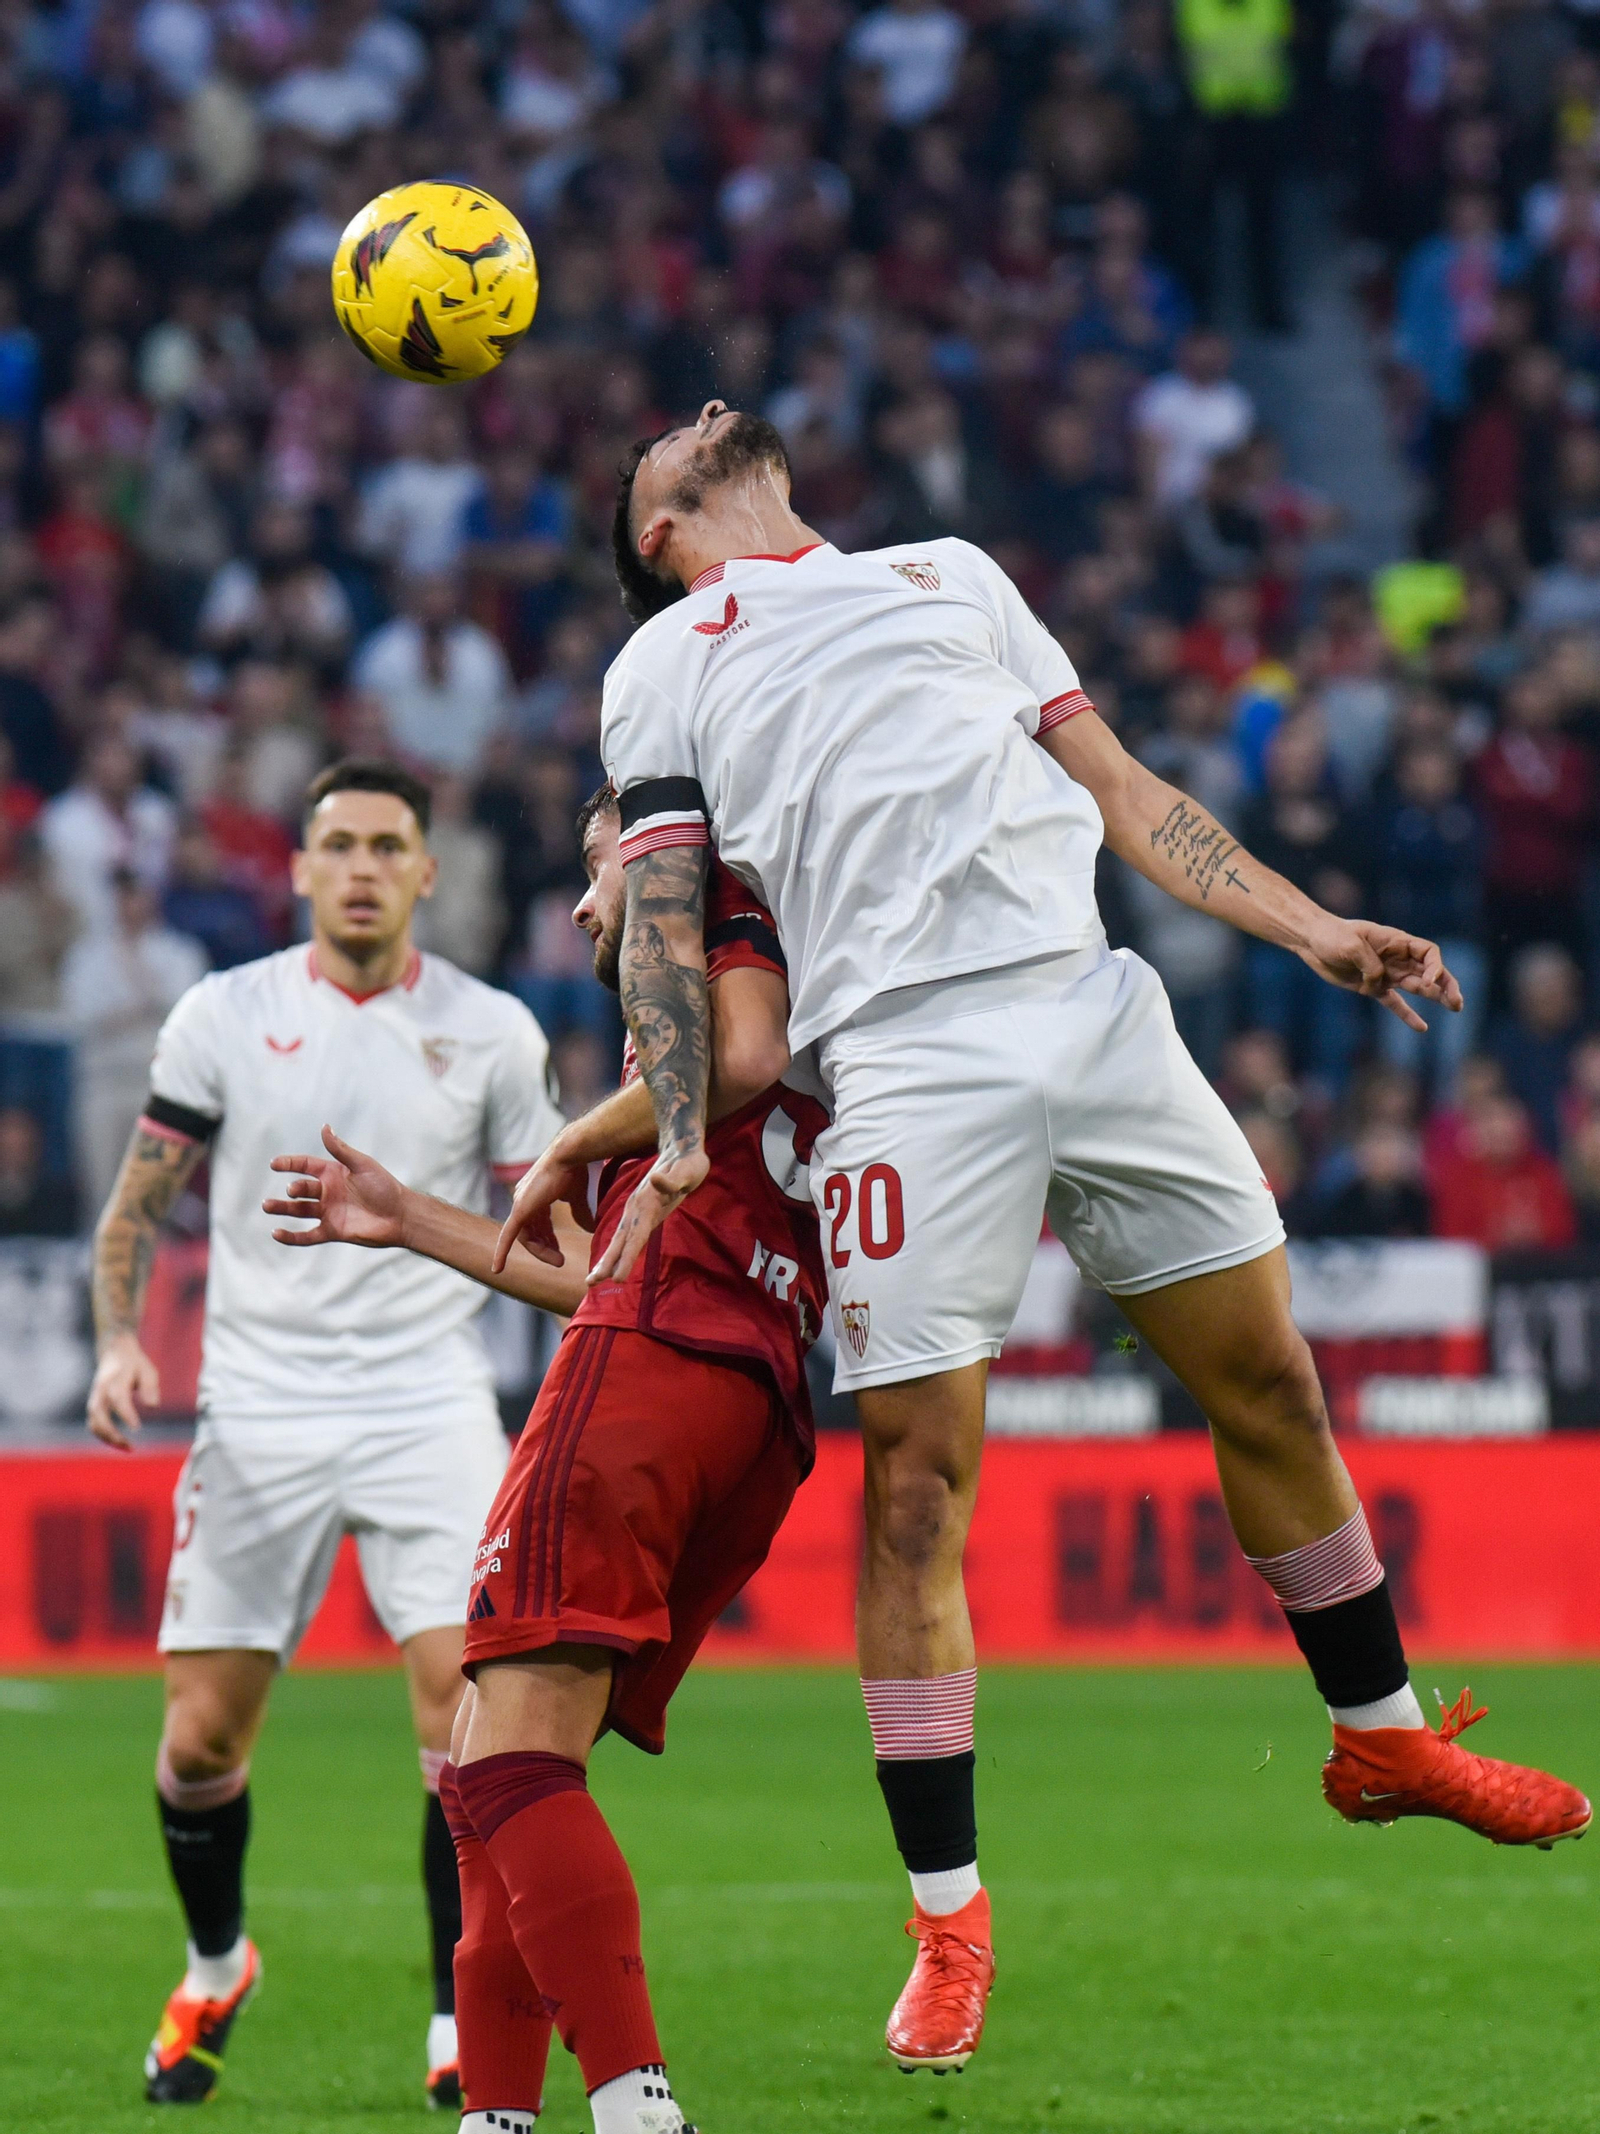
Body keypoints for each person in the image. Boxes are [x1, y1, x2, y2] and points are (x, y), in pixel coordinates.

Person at [501, 401, 1592, 2082]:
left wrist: (1310, 927)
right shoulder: (663, 658)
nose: (703, 413)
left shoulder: (952, 569)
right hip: (903, 1055)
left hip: (1094, 1003)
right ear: (658, 531)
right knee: (919, 1486)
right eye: (665, 437)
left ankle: (1381, 1739)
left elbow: (1127, 791)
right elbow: (659, 917)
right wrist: (675, 1122)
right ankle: (948, 1919)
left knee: (1271, 1383)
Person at [266, 786, 826, 2134]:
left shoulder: (709, 921)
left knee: (512, 1764)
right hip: (746, 1379)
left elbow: (745, 1054)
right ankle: (497, 2113)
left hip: (649, 1362)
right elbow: (595, 1265)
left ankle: (635, 2104)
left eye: (597, 868)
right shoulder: (755, 1006)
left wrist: (574, 1134)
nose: (584, 905)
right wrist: (412, 1218)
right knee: (486, 1765)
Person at [84, 760, 567, 2110]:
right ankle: (216, 1961)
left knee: (464, 1716)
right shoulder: (223, 1013)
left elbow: (553, 1233)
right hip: (259, 1404)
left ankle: (457, 2014)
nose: (362, 867)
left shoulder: (492, 1030)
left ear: (426, 872)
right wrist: (120, 1338)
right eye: (338, 844)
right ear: (299, 868)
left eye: (387, 846)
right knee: (199, 1745)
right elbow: (135, 1206)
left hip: (429, 1399)